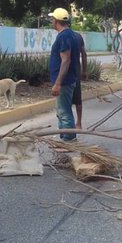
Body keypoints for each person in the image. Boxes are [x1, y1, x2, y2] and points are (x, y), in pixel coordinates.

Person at [48, 8, 79, 142]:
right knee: (61, 111)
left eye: (52, 19)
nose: (51, 21)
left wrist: (58, 83)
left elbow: (66, 60)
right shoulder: (70, 34)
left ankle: (69, 139)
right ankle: (64, 139)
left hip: (65, 82)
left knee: (64, 112)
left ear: (56, 21)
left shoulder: (64, 36)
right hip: (68, 80)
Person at [72, 30, 88, 129]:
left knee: (66, 101)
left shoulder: (63, 36)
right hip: (76, 72)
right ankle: (79, 123)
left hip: (67, 74)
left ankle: (68, 124)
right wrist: (84, 71)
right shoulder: (78, 36)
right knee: (78, 99)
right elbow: (84, 54)